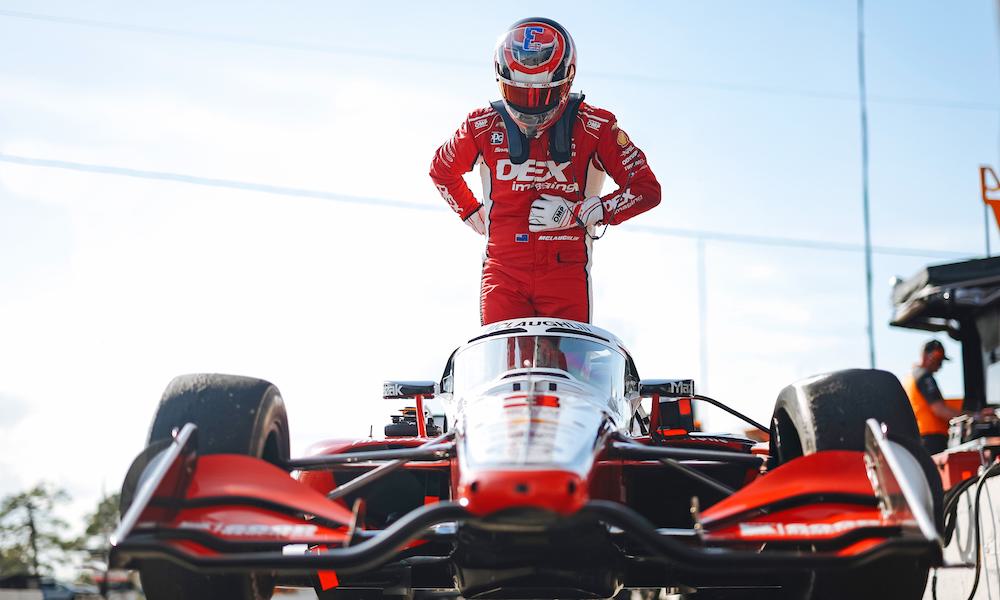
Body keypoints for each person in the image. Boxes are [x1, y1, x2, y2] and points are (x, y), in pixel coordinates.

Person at [429, 17, 661, 325]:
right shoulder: (481, 125)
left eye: (541, 95)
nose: (530, 108)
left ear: (566, 81)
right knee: (505, 368)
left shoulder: (596, 127)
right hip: (503, 272)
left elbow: (647, 189)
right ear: (501, 80)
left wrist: (584, 212)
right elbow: (441, 170)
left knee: (567, 369)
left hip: (565, 272)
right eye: (520, 94)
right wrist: (470, 210)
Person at [903, 339, 960, 454]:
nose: (940, 365)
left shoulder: (910, 377)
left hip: (921, 438)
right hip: (933, 440)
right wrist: (973, 416)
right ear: (926, 355)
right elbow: (940, 410)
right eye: (938, 359)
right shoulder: (924, 377)